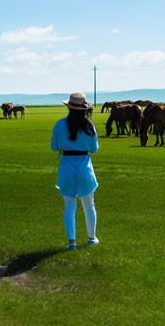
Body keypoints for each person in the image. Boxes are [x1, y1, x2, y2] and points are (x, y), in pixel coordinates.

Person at [51, 92, 99, 250]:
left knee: (69, 208)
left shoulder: (59, 124)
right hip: (84, 167)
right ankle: (91, 238)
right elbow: (94, 149)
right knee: (89, 206)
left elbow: (54, 147)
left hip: (66, 167)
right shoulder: (89, 126)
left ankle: (72, 242)